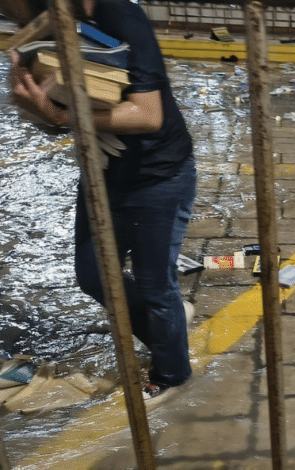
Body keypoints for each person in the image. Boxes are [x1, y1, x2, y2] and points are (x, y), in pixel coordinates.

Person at [5, 0, 196, 402]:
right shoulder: (51, 24)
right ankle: (169, 328)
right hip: (103, 174)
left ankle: (172, 371)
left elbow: (148, 115)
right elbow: (63, 119)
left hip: (157, 176)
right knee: (93, 276)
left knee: (154, 286)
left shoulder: (118, 15)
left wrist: (56, 117)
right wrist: (34, 106)